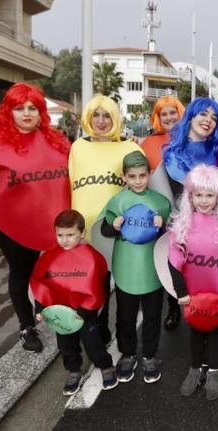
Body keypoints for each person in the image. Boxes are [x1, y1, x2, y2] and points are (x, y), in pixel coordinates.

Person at [0, 83, 71, 353]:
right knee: (21, 273)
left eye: (32, 108)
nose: (26, 113)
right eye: (19, 108)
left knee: (50, 271)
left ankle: (45, 312)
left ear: (40, 112)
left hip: (53, 220)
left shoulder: (57, 142)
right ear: (8, 111)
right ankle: (27, 326)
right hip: (10, 223)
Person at [69, 94, 142, 343]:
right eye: (96, 115)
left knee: (123, 291)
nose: (101, 121)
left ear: (116, 118)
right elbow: (69, 186)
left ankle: (125, 342)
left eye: (107, 115)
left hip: (120, 233)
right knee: (95, 288)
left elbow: (142, 187)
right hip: (86, 234)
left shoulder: (130, 147)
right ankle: (100, 334)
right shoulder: (78, 147)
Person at [99, 151, 172, 384]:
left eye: (142, 175)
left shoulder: (160, 203)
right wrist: (115, 226)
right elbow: (104, 230)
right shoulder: (117, 201)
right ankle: (127, 353)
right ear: (124, 177)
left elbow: (168, 237)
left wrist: (161, 228)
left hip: (152, 266)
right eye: (132, 176)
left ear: (150, 174)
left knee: (152, 314)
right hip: (126, 267)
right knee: (125, 313)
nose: (138, 181)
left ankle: (150, 355)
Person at [167, 165, 218, 400]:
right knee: (196, 329)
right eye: (199, 195)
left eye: (210, 195)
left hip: (217, 291)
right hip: (192, 292)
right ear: (190, 196)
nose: (204, 200)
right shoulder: (182, 225)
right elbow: (174, 261)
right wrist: (182, 292)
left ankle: (214, 372)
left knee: (214, 328)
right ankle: (195, 369)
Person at [30, 210, 117, 394]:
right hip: (60, 313)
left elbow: (95, 286)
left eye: (70, 235)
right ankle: (73, 370)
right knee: (66, 345)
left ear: (82, 233)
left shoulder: (91, 257)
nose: (65, 240)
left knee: (93, 342)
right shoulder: (49, 258)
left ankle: (105, 365)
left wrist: (83, 313)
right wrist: (41, 309)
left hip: (84, 313)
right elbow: (42, 285)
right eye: (60, 235)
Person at [161, 97, 218, 330]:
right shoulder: (171, 150)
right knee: (179, 261)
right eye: (203, 114)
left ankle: (207, 307)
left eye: (214, 118)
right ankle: (174, 305)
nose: (208, 120)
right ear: (191, 116)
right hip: (180, 216)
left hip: (211, 217)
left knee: (206, 264)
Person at [141, 96, 185, 171]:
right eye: (164, 114)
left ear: (180, 113)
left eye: (173, 113)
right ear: (158, 118)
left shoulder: (191, 139)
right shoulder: (148, 142)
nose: (169, 117)